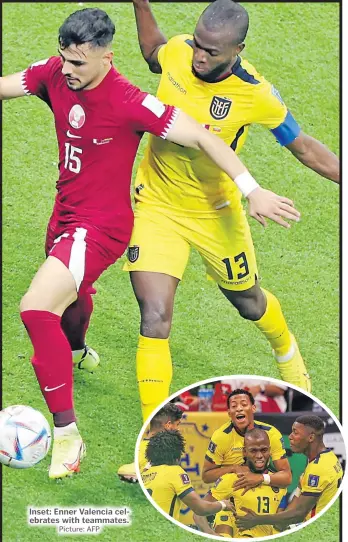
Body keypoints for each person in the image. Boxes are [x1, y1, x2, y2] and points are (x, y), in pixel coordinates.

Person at [2, 8, 293, 479]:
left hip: (102, 226)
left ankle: (68, 437)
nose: (68, 71)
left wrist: (250, 187)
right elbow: (8, 83)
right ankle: (78, 353)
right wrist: (54, 69)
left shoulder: (129, 100)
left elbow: (200, 136)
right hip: (65, 215)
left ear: (106, 58)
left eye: (79, 64)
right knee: (71, 299)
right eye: (64, 59)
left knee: (37, 309)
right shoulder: (54, 74)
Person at [124, 0, 339, 423]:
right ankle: (153, 435)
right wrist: (141, 5)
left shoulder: (254, 92)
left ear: (237, 49)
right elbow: (155, 52)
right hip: (157, 204)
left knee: (248, 302)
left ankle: (287, 352)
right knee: (154, 315)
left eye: (211, 52)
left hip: (215, 211)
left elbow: (303, 145)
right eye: (198, 45)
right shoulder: (181, 51)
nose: (199, 56)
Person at [202, 389, 292, 533]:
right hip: (230, 496)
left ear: (253, 408)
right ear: (229, 412)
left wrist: (259, 478)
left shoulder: (271, 433)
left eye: (243, 404)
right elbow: (206, 476)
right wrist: (233, 468)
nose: (239, 408)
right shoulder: (221, 437)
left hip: (264, 492)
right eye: (234, 406)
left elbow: (287, 477)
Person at [235, 415, 343, 532]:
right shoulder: (327, 457)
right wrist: (279, 525)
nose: (290, 437)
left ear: (311, 437)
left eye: (295, 433)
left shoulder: (318, 468)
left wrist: (258, 520)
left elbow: (299, 513)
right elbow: (297, 500)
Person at [193, 429, 287, 538]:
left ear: (270, 451)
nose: (259, 455)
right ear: (244, 452)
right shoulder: (231, 480)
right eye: (253, 451)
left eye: (264, 450)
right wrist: (212, 535)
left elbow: (280, 524)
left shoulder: (278, 482)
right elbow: (198, 512)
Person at [141, 430, 235, 520]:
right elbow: (200, 508)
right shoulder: (174, 471)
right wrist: (223, 504)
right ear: (177, 456)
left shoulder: (143, 475)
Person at [118, 402, 183, 482]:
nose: (178, 429)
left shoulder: (140, 446)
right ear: (168, 425)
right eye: (177, 424)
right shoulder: (167, 452)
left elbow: (125, 470)